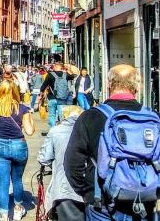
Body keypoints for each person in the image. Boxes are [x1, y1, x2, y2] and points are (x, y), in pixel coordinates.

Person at [64, 64, 158, 220]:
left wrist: (87, 192)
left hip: (102, 203)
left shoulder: (91, 117)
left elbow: (72, 163)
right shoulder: (153, 118)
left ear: (108, 85)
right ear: (137, 86)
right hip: (145, 201)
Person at [0, 79, 35, 221]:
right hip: (18, 145)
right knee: (17, 180)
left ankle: (4, 215)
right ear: (14, 91)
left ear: (0, 91)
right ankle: (18, 209)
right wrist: (31, 120)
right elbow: (30, 131)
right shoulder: (22, 108)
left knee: (3, 182)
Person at [38, 105, 84, 220]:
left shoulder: (55, 131)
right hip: (87, 187)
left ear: (64, 116)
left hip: (63, 189)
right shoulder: (87, 131)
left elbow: (44, 158)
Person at [38, 62, 74, 128]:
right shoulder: (65, 75)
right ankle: (62, 129)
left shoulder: (50, 75)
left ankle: (53, 129)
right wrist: (68, 69)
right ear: (61, 67)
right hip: (62, 98)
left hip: (52, 98)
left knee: (52, 115)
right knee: (62, 115)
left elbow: (43, 86)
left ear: (55, 67)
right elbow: (73, 76)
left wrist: (40, 95)